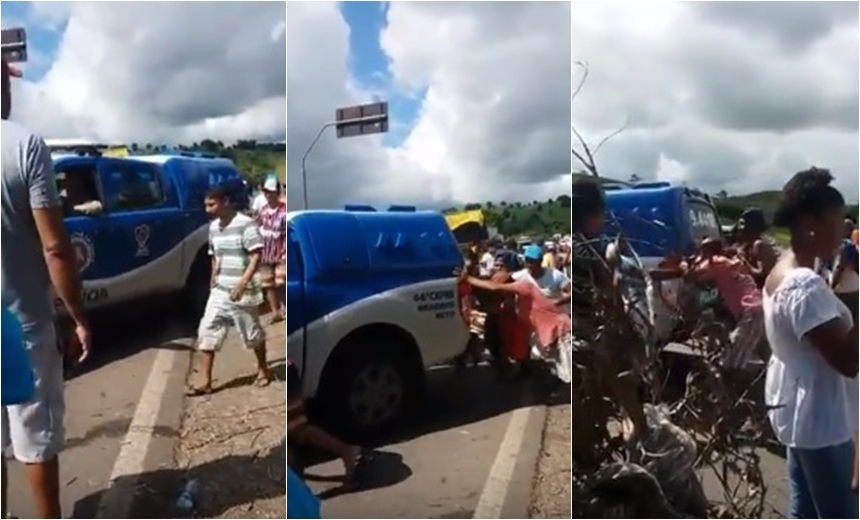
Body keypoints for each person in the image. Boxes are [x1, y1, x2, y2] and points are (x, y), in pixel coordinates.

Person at [1, 57, 92, 519]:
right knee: (33, 439)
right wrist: (77, 316)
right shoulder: (25, 146)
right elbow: (55, 248)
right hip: (21, 327)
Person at [762, 168, 857, 519]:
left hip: (800, 408)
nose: (842, 230)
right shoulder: (803, 284)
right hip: (823, 419)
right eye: (836, 221)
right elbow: (848, 361)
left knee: (805, 510)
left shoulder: (785, 269)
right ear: (809, 224)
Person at [188, 186, 271, 395]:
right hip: (220, 290)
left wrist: (242, 284)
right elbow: (214, 255)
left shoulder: (245, 224)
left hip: (243, 290)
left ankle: (262, 369)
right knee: (207, 331)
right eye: (206, 205)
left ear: (225, 201)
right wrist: (213, 279)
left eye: (211, 204)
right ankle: (204, 381)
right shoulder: (214, 227)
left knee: (251, 334)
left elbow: (256, 256)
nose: (207, 209)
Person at [460, 268, 572, 383]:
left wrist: (468, 278)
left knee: (565, 367)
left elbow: (493, 286)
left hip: (559, 330)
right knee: (551, 363)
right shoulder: (519, 299)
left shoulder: (525, 287)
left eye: (504, 284)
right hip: (548, 333)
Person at [686, 237, 765, 368]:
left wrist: (684, 265)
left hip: (752, 313)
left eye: (703, 251)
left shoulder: (716, 262)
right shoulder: (729, 261)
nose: (701, 255)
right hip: (758, 308)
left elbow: (692, 276)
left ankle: (731, 386)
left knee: (731, 360)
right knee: (765, 354)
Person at [287, 359, 358, 487]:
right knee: (296, 432)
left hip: (289, 376)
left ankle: (345, 450)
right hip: (290, 372)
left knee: (296, 431)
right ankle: (345, 450)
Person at [255, 177, 286, 323]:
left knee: (281, 281)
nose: (268, 195)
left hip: (280, 251)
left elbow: (286, 232)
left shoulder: (283, 210)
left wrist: (285, 250)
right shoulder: (263, 210)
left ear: (277, 193)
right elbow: (256, 226)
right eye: (266, 192)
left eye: (271, 192)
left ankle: (286, 308)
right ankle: (275, 312)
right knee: (268, 284)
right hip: (265, 251)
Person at [737, 208, 777, 287]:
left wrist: (743, 260)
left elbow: (762, 274)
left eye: (743, 224)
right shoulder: (748, 245)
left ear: (752, 227)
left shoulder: (759, 245)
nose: (739, 228)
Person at [830, 220, 859, 321]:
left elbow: (840, 268)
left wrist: (832, 286)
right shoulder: (855, 247)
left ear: (847, 231)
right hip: (854, 290)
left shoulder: (847, 247)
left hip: (843, 293)